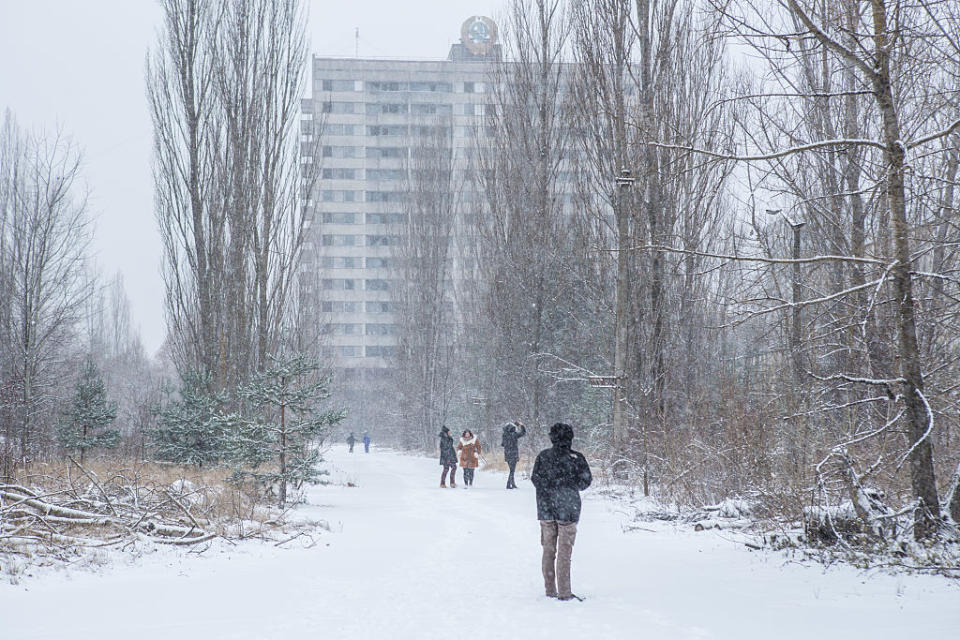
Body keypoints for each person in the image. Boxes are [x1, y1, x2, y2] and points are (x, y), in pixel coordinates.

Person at [531, 423, 592, 601]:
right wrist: (569, 487)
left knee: (548, 550)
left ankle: (550, 589)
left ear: (551, 438)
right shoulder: (576, 458)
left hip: (545, 509)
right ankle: (564, 592)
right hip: (568, 509)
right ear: (570, 438)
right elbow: (585, 481)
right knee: (565, 552)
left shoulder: (543, 456)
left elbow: (536, 479)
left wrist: (548, 489)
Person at [501, 421, 527, 489]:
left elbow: (503, 444)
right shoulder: (514, 435)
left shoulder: (504, 435)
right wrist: (521, 425)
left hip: (507, 454)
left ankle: (512, 483)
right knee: (512, 470)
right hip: (513, 454)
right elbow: (523, 433)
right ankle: (508, 484)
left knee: (511, 470)